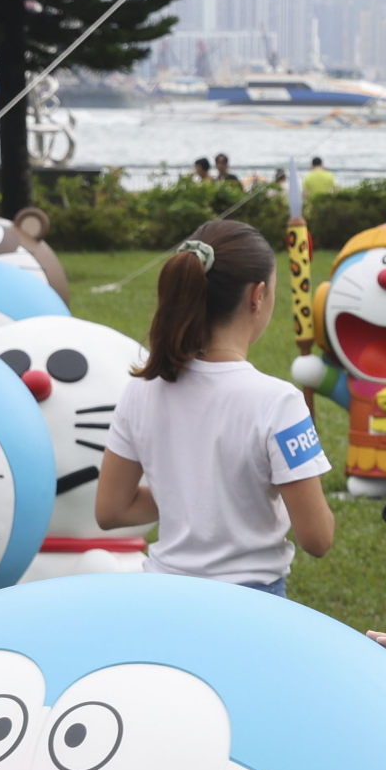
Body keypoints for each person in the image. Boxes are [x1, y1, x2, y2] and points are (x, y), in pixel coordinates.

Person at [90, 221, 334, 591]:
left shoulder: (141, 390)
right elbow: (318, 538)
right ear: (258, 295)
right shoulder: (280, 402)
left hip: (163, 595)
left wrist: (192, 492)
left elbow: (111, 511)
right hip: (252, 605)